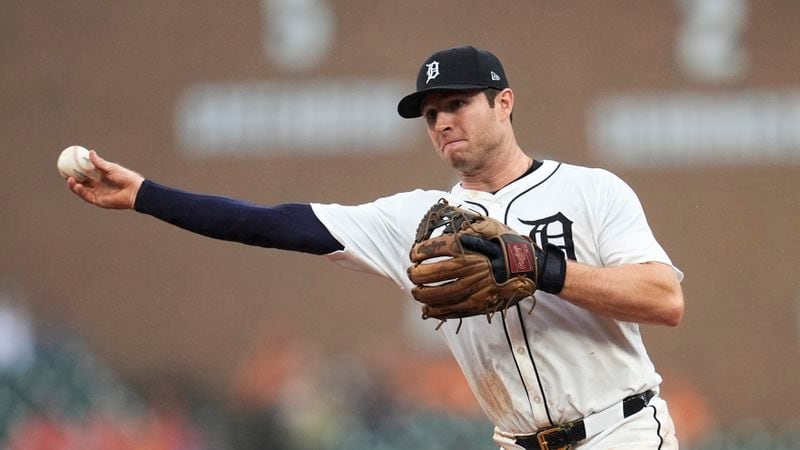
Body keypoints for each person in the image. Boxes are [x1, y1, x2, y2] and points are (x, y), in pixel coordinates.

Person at [66, 45, 684, 449]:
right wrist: (145, 194)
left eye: (458, 104)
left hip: (621, 430)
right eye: (431, 112)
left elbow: (664, 299)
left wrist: (540, 266)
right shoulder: (417, 219)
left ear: (504, 102)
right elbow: (274, 224)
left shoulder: (592, 191)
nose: (443, 121)